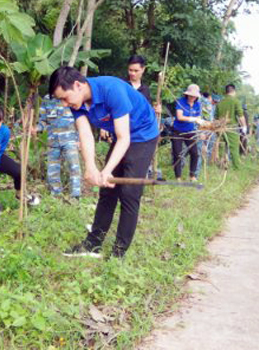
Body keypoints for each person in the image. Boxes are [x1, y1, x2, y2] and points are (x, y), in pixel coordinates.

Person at [49, 66, 159, 258]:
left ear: (77, 85)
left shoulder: (111, 89)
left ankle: (119, 253)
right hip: (122, 135)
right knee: (107, 190)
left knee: (129, 194)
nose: (64, 104)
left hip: (143, 134)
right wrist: (91, 168)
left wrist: (107, 170)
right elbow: (85, 133)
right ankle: (93, 244)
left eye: (64, 98)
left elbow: (124, 138)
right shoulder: (78, 103)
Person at [35, 94, 81, 201]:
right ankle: (55, 195)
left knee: (74, 166)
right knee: (52, 169)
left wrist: (79, 139)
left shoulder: (71, 95)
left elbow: (80, 119)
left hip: (70, 139)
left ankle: (75, 195)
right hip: (53, 140)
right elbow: (43, 120)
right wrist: (36, 128)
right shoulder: (47, 99)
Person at [171, 84, 204, 182]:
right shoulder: (181, 102)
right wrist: (192, 118)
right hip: (177, 131)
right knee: (177, 153)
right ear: (187, 95)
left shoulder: (197, 105)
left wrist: (201, 131)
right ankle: (178, 177)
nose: (192, 97)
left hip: (190, 132)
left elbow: (199, 119)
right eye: (191, 95)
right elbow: (180, 117)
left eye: (194, 96)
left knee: (195, 153)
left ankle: (192, 175)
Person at [215, 84, 247, 169]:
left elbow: (216, 117)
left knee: (222, 147)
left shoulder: (219, 103)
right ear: (233, 91)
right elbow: (240, 115)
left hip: (220, 128)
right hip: (231, 128)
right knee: (234, 149)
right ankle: (236, 168)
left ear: (226, 92)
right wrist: (244, 127)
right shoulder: (235, 101)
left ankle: (222, 166)